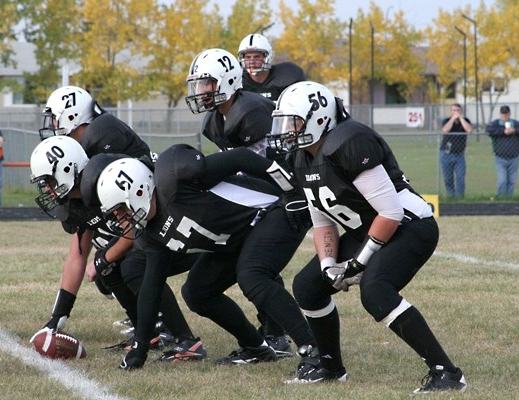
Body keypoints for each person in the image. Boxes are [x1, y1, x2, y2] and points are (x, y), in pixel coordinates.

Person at [267, 81, 466, 393]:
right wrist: (328, 264)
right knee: (307, 285)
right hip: (370, 229)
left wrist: (358, 265)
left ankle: (448, 374)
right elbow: (322, 220)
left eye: (293, 121)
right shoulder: (302, 158)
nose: (286, 130)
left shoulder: (348, 142)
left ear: (318, 118)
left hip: (411, 226)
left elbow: (390, 213)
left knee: (375, 290)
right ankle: (331, 368)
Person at [86, 145, 317, 370]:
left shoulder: (175, 175)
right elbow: (151, 287)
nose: (122, 219)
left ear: (139, 191)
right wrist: (140, 348)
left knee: (252, 275)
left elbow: (240, 157)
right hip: (237, 237)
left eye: (121, 210)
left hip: (273, 210)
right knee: (197, 293)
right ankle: (256, 347)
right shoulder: (149, 233)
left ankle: (314, 351)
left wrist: (291, 190)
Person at [32, 86, 194, 356]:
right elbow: (77, 252)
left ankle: (177, 334)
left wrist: (106, 256)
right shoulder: (82, 175)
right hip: (135, 217)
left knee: (125, 263)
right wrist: (58, 317)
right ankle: (148, 328)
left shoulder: (102, 147)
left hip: (160, 215)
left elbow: (133, 202)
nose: (49, 190)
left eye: (56, 118)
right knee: (106, 265)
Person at [186, 47, 311, 356]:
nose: (200, 91)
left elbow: (273, 165)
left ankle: (283, 336)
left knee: (254, 270)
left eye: (206, 84)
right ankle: (266, 338)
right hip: (257, 196)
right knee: (213, 283)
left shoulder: (252, 111)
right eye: (198, 85)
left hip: (285, 195)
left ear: (227, 82)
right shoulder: (215, 121)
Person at [237, 33, 306, 101]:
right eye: (248, 57)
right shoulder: (238, 81)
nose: (252, 61)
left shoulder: (288, 75)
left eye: (257, 57)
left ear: (267, 57)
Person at [485, 105, 519, 198]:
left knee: (512, 181)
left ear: (509, 113)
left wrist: (514, 130)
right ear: (500, 114)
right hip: (500, 157)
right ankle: (501, 198)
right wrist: (504, 132)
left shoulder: (516, 123)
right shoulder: (496, 123)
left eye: (506, 113)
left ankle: (509, 199)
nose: (505, 115)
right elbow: (489, 130)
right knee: (502, 180)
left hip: (514, 157)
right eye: (503, 113)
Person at [440, 103, 473, 197]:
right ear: (451, 112)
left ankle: (460, 197)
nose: (456, 113)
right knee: (448, 178)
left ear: (461, 111)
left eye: (458, 111)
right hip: (446, 153)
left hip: (459, 154)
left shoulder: (465, 121)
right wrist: (453, 119)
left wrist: (460, 119)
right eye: (454, 111)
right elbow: (445, 130)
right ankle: (450, 197)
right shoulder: (446, 120)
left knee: (460, 177)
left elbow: (469, 130)